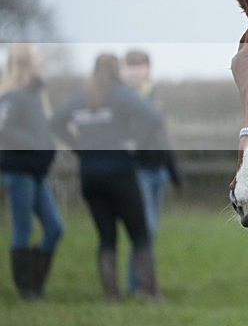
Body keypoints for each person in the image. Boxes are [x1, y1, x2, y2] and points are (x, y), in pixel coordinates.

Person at [50, 53, 162, 302]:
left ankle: (112, 294)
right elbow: (154, 118)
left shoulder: (82, 97)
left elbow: (56, 122)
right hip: (120, 173)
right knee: (140, 235)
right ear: (117, 71)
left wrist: (78, 147)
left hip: (89, 176)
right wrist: (137, 145)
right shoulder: (122, 94)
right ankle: (150, 292)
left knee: (106, 238)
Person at [0, 44, 63, 300]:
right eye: (38, 57)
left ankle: (36, 284)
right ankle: (26, 290)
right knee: (22, 228)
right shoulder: (12, 96)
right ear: (25, 61)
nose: (42, 61)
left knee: (54, 228)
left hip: (36, 173)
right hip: (18, 171)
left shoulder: (36, 96)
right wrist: (32, 142)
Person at [121, 49, 182, 295]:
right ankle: (139, 286)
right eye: (131, 66)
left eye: (140, 66)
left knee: (150, 229)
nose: (136, 71)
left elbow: (163, 139)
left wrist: (174, 174)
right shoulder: (123, 99)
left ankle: (139, 283)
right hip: (138, 172)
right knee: (143, 227)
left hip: (158, 171)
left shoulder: (153, 98)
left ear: (148, 69)